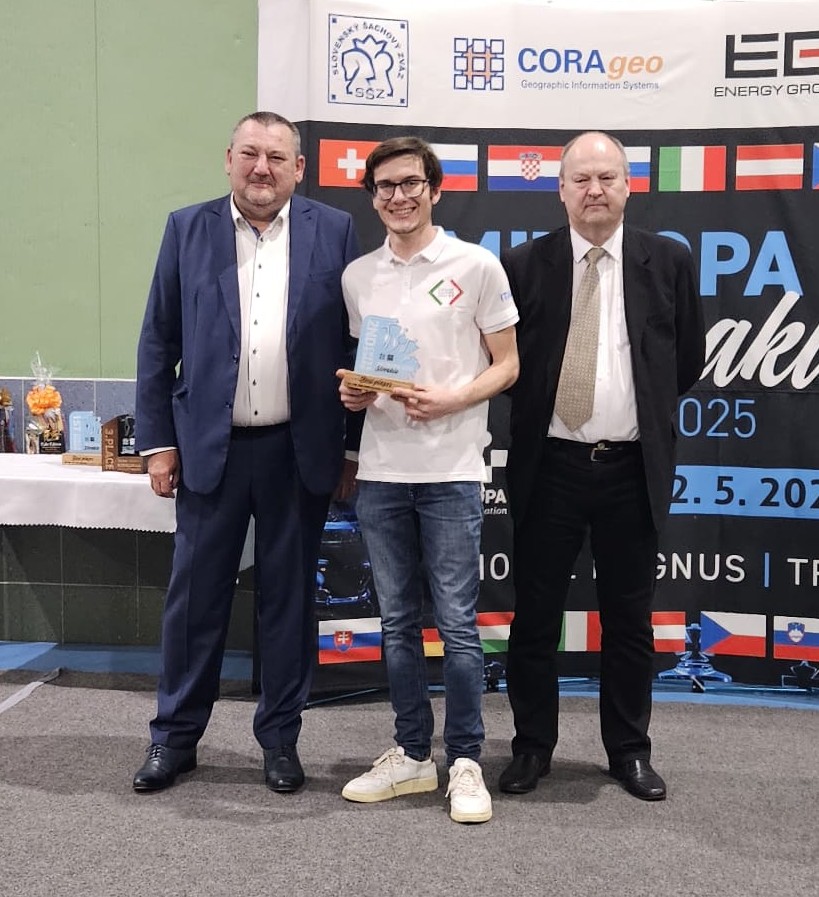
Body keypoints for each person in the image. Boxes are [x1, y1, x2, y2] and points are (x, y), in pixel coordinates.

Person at [132, 111, 360, 795]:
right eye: (251, 154)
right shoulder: (187, 228)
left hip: (298, 450)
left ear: (299, 168)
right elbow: (158, 339)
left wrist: (350, 448)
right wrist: (157, 444)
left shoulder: (334, 230)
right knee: (193, 601)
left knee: (288, 603)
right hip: (211, 449)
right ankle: (174, 738)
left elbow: (355, 344)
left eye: (277, 157)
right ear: (228, 158)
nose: (262, 168)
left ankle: (281, 740)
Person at [498, 131, 704, 801]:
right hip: (549, 466)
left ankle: (629, 750)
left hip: (630, 468)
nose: (594, 190)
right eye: (581, 178)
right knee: (534, 618)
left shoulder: (667, 260)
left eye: (607, 177)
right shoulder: (522, 264)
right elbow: (507, 365)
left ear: (628, 186)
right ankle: (532, 747)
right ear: (559, 189)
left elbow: (686, 361)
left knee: (628, 621)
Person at [336, 137, 519, 824]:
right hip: (382, 472)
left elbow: (508, 364)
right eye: (385, 186)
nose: (398, 196)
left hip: (451, 470)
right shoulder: (359, 276)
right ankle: (413, 754)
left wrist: (453, 399)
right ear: (373, 197)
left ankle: (465, 761)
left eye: (410, 183)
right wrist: (355, 395)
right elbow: (371, 370)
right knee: (396, 626)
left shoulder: (476, 265)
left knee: (459, 627)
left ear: (434, 189)